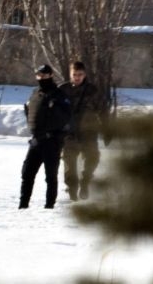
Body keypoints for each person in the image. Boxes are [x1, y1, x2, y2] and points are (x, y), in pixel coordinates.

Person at [19, 64, 72, 209]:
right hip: (36, 141)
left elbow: (66, 117)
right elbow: (30, 112)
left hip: (51, 141)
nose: (41, 78)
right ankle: (23, 205)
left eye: (44, 75)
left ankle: (49, 206)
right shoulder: (35, 93)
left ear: (50, 76)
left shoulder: (59, 95)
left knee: (50, 176)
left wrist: (54, 108)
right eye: (39, 76)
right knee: (27, 173)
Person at [59, 61, 101, 201]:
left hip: (88, 133)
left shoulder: (92, 90)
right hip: (69, 135)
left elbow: (102, 110)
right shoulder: (62, 90)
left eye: (80, 74)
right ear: (70, 74)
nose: (77, 77)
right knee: (70, 166)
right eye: (74, 74)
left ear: (85, 75)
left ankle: (85, 182)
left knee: (93, 159)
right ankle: (72, 191)